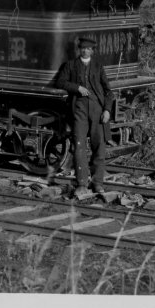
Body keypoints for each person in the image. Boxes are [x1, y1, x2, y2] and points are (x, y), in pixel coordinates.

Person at [54, 37, 113, 198]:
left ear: (92, 51)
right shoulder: (71, 65)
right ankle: (81, 184)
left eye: (88, 49)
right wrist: (77, 87)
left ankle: (98, 183)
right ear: (79, 50)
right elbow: (60, 82)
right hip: (79, 109)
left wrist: (107, 110)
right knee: (79, 147)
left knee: (99, 147)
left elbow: (109, 92)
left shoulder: (98, 66)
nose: (85, 51)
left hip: (97, 111)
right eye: (82, 48)